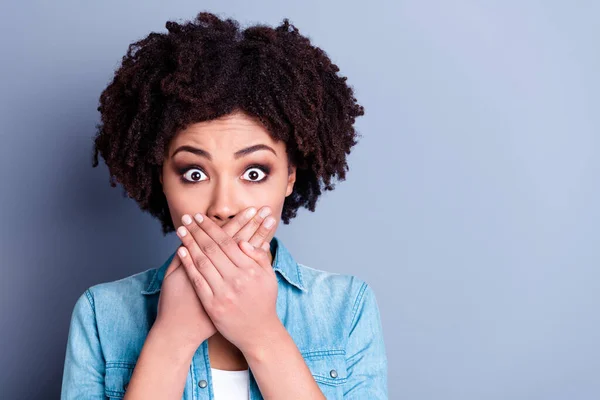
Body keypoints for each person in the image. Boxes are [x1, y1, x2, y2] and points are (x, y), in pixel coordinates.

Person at [60, 11, 387, 400]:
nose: (224, 206)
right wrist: (170, 339)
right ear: (161, 177)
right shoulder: (101, 313)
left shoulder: (347, 307)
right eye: (194, 173)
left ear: (289, 177)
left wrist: (262, 335)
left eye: (253, 172)